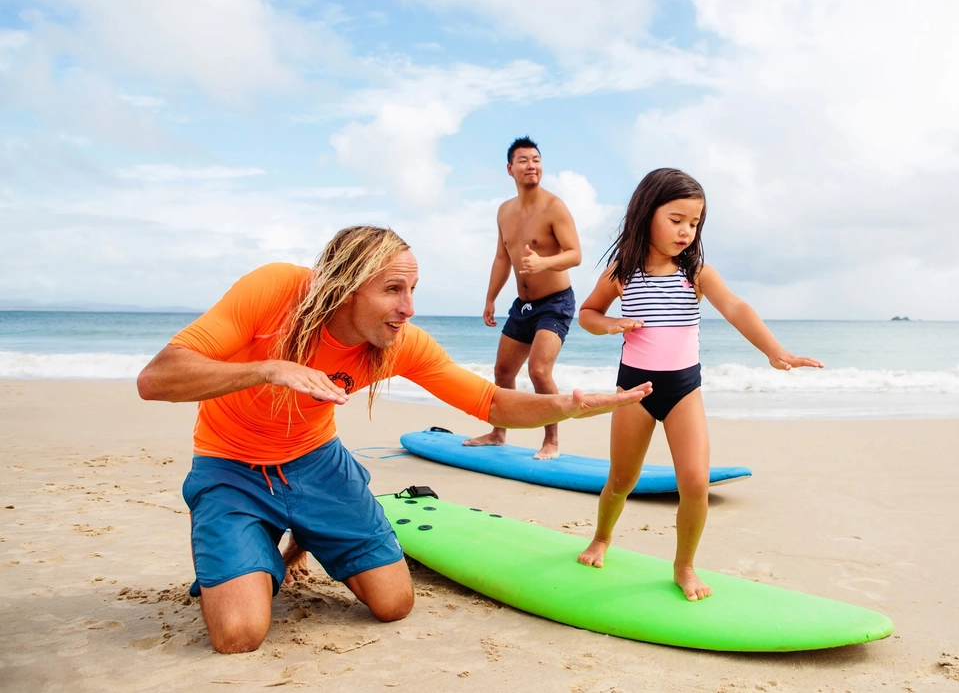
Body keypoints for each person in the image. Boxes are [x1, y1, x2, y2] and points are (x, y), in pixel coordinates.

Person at [136, 226, 649, 654]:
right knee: (239, 635)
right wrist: (267, 369)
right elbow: (156, 379)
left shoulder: (400, 343)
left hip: (318, 466)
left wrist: (568, 405)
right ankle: (252, 549)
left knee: (392, 604)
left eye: (413, 290)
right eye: (393, 290)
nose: (407, 308)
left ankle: (305, 531)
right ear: (346, 286)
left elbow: (490, 403)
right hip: (231, 467)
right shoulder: (275, 291)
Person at [575, 168, 822, 600]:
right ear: (647, 213)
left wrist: (774, 350)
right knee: (621, 479)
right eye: (676, 219)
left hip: (683, 390)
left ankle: (684, 566)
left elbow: (736, 306)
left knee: (694, 482)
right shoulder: (622, 272)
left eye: (694, 222)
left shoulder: (696, 273)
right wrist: (610, 323)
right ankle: (601, 537)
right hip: (634, 391)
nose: (686, 230)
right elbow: (588, 313)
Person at [462, 136, 583, 459]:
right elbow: (503, 258)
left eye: (536, 159)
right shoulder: (504, 211)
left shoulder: (554, 207)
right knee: (503, 372)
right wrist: (491, 299)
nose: (532, 166)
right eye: (524, 160)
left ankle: (552, 441)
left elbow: (575, 255)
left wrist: (544, 262)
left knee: (539, 371)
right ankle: (499, 433)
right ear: (510, 169)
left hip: (556, 302)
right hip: (523, 305)